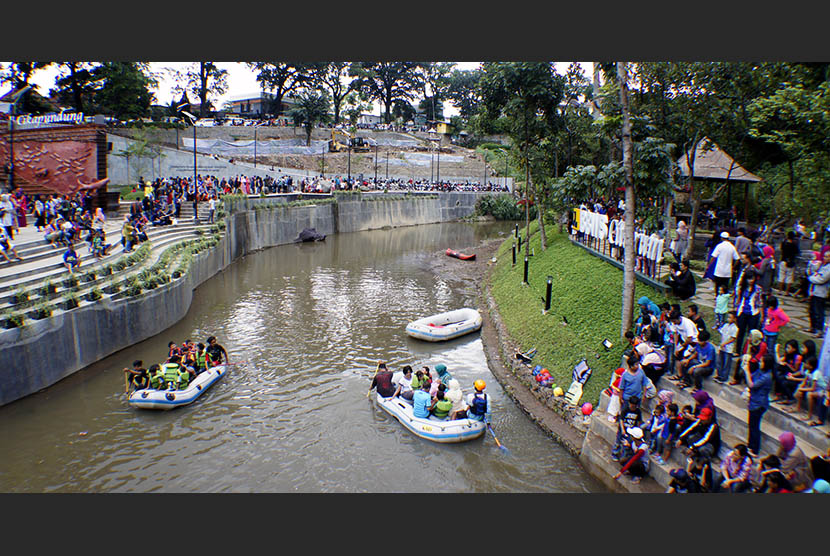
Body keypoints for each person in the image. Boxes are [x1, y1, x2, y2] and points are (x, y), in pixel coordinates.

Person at [746, 355, 774, 458]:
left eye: (761, 362)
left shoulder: (767, 376)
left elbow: (752, 384)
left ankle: (755, 449)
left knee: (754, 427)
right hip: (754, 401)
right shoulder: (760, 372)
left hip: (759, 404)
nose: (760, 363)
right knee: (751, 425)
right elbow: (752, 377)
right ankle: (750, 445)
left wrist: (746, 372)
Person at [806, 249, 830, 337]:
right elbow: (813, 273)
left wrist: (811, 279)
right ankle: (813, 327)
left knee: (819, 311)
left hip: (821, 292)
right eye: (824, 256)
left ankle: (819, 330)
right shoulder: (821, 265)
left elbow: (822, 279)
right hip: (813, 291)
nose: (825, 258)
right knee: (811, 310)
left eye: (827, 257)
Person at [612, 396, 642, 462]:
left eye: (634, 406)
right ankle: (615, 454)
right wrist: (622, 429)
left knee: (627, 445)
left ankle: (623, 458)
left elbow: (639, 421)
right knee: (618, 442)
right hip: (622, 430)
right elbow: (621, 420)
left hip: (630, 431)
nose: (632, 407)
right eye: (631, 406)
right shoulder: (625, 409)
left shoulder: (638, 412)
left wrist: (637, 429)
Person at [714, 311, 739, 384]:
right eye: (728, 317)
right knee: (719, 361)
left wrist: (724, 343)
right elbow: (722, 333)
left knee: (726, 363)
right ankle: (719, 375)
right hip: (722, 347)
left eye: (730, 318)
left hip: (728, 348)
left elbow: (733, 338)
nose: (728, 319)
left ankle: (724, 377)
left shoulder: (735, 328)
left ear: (734, 319)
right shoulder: (725, 325)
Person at [777, 231, 801, 296]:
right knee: (789, 277)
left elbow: (781, 250)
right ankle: (787, 292)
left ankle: (780, 290)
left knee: (781, 275)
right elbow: (797, 252)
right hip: (791, 262)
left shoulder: (784, 243)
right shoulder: (794, 245)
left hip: (783, 260)